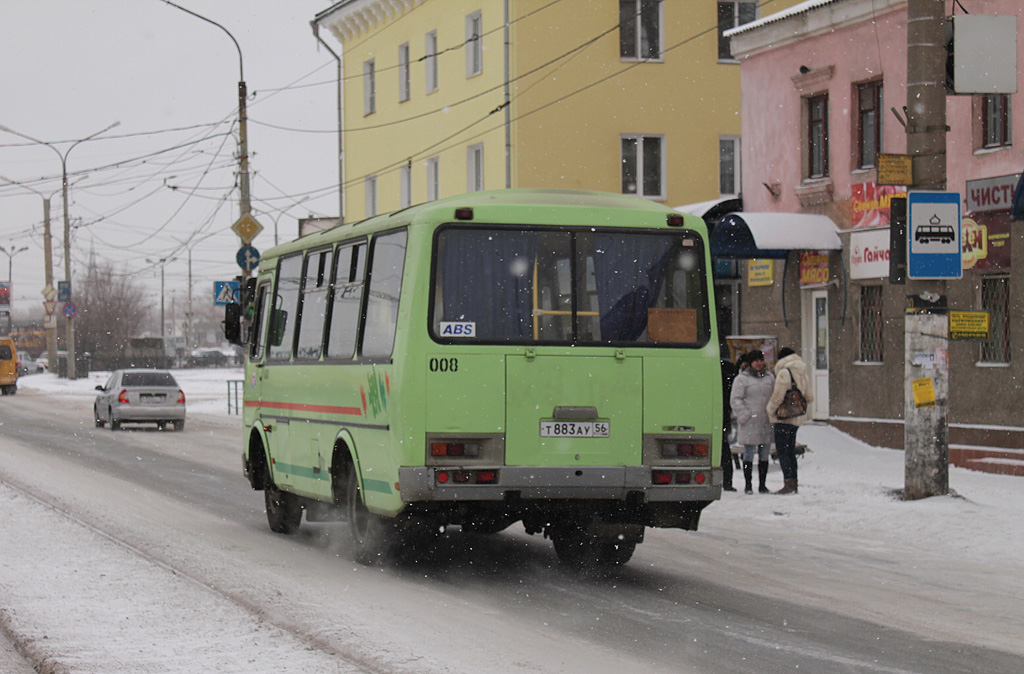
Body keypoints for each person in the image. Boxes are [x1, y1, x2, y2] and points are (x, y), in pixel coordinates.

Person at [767, 347, 814, 494]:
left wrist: (770, 409)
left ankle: (788, 484)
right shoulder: (801, 372)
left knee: (782, 452)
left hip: (783, 418)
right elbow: (809, 396)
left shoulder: (784, 372)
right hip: (796, 418)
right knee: (790, 451)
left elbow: (778, 396)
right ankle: (794, 483)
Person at [729, 350, 775, 494]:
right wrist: (744, 414)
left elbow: (774, 395)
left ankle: (763, 484)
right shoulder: (742, 378)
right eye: (756, 360)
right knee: (748, 453)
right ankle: (748, 485)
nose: (759, 363)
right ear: (750, 363)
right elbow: (735, 399)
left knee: (764, 453)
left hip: (766, 419)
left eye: (761, 360)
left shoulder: (769, 377)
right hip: (749, 420)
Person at [720, 344, 739, 492]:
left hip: (715, 411)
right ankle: (727, 481)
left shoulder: (715, 369)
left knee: (721, 447)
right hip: (724, 412)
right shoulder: (731, 371)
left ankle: (725, 480)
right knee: (724, 446)